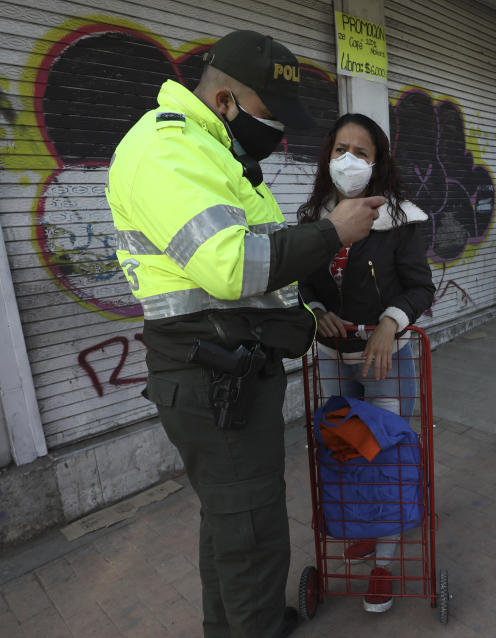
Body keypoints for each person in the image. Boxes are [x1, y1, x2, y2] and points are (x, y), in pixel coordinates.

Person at [105, 30, 382, 637]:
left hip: (230, 370)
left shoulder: (217, 152)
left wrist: (307, 316)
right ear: (227, 99)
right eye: (270, 113)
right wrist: (334, 232)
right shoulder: (165, 149)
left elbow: (260, 266)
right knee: (251, 530)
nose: (278, 129)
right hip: (211, 378)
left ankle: (231, 625)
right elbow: (231, 267)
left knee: (230, 522)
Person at [296, 113, 435, 613]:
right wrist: (318, 312)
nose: (348, 160)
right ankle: (363, 528)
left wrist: (388, 323)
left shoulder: (401, 219)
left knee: (387, 459)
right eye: (339, 149)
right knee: (343, 451)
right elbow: (305, 286)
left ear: (377, 163)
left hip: (385, 358)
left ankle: (384, 565)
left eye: (361, 151)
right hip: (332, 356)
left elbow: (421, 287)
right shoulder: (314, 218)